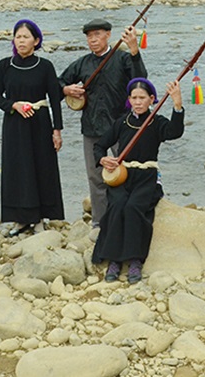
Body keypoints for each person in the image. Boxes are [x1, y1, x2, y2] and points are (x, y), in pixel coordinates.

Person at [92, 78, 184, 284]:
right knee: (116, 205)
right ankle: (114, 260)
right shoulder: (122, 122)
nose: (138, 102)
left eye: (142, 98)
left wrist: (177, 104)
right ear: (129, 100)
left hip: (147, 177)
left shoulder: (156, 121)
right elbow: (100, 145)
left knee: (134, 207)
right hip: (123, 176)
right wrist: (102, 158)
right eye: (134, 98)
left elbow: (175, 132)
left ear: (152, 99)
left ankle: (135, 260)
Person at [59, 18, 146, 231]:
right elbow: (58, 82)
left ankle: (127, 216)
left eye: (97, 35)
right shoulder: (82, 63)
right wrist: (66, 90)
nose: (93, 40)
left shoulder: (123, 58)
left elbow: (140, 80)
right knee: (96, 175)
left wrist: (135, 50)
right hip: (91, 127)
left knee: (124, 172)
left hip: (120, 126)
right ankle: (100, 220)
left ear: (108, 35)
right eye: (89, 36)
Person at [0, 19, 64, 236]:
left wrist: (57, 130)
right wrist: (13, 105)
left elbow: (54, 99)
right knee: (17, 170)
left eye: (26, 37)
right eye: (18, 36)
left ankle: (40, 217)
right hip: (14, 123)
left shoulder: (45, 66)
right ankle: (21, 219)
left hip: (39, 123)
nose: (21, 40)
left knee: (41, 167)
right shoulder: (5, 65)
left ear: (36, 40)